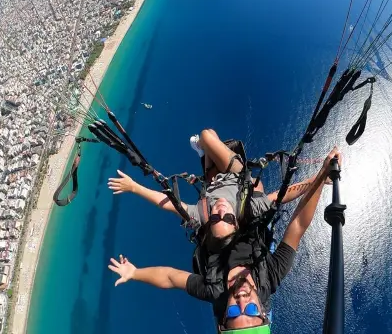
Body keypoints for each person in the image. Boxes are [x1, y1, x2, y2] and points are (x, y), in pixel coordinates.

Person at [108, 147, 342, 332]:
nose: (242, 301)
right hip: (246, 218)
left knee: (212, 179)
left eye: (233, 313)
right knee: (256, 186)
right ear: (263, 312)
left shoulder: (214, 290)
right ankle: (220, 164)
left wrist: (134, 273)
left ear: (223, 321)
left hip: (219, 221)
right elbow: (298, 226)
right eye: (251, 311)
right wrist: (321, 176)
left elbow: (170, 277)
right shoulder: (269, 276)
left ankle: (209, 161)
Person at [108, 129, 320, 244]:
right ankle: (204, 148)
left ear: (209, 223)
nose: (220, 211)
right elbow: (282, 195)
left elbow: (167, 203)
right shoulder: (248, 209)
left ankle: (204, 152)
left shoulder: (201, 215)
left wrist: (134, 187)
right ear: (236, 222)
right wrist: (318, 179)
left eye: (215, 219)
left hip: (214, 181)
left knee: (210, 144)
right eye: (227, 218)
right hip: (237, 176)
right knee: (207, 135)